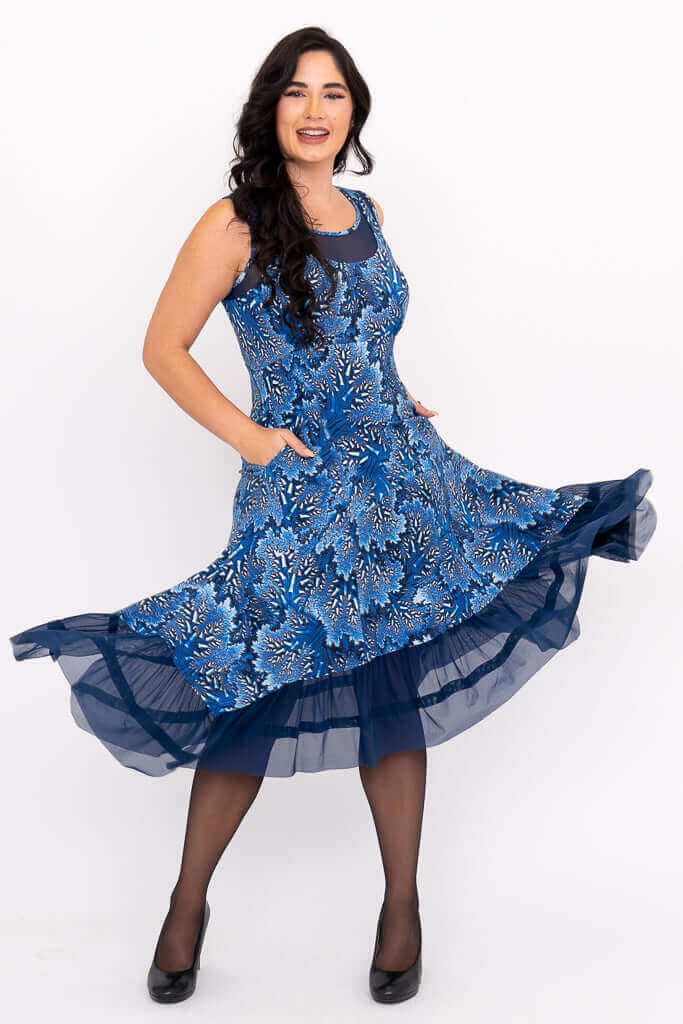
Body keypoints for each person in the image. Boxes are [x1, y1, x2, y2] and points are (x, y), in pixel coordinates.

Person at [9, 26, 656, 1007]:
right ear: (270, 109)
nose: (315, 110)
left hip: (396, 479)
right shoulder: (234, 222)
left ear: (353, 112)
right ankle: (186, 903)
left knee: (391, 679)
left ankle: (401, 907)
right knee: (255, 679)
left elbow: (361, 336)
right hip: (299, 491)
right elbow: (162, 347)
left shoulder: (367, 211)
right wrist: (251, 437)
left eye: (333, 94)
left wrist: (396, 391)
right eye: (297, 92)